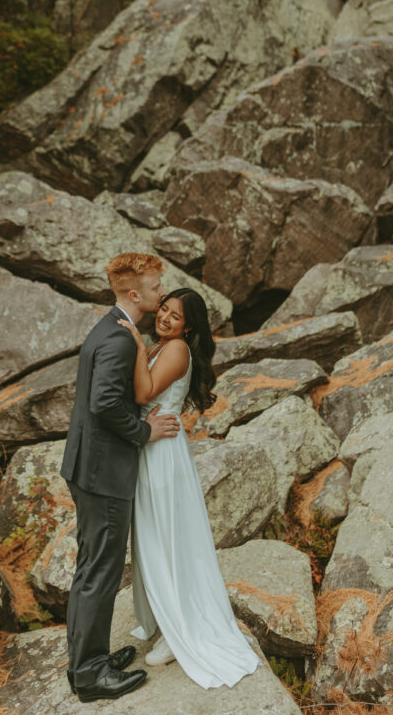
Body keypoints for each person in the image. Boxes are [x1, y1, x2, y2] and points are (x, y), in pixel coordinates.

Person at [118, 287, 263, 689]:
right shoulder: (159, 345)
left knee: (166, 538)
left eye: (175, 315)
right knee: (150, 536)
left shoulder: (176, 349)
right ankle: (162, 616)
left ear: (188, 326)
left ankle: (179, 627)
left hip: (162, 452)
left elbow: (144, 393)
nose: (164, 317)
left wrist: (132, 340)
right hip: (150, 445)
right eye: (163, 309)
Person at [60, 252, 181, 703]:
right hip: (103, 474)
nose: (160, 293)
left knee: (91, 567)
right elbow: (105, 404)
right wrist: (145, 432)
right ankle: (90, 676)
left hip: (88, 467)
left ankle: (83, 662)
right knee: (100, 573)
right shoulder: (118, 340)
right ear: (135, 293)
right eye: (154, 288)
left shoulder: (110, 328)